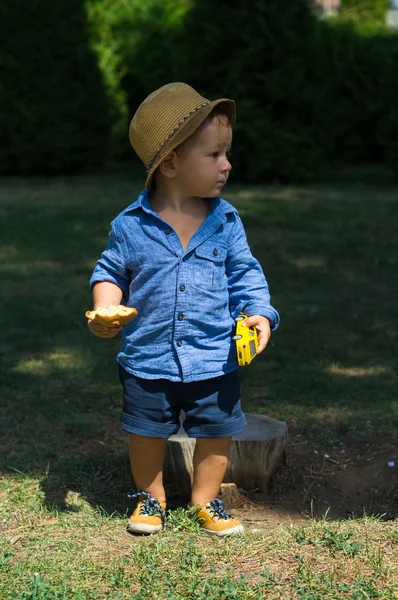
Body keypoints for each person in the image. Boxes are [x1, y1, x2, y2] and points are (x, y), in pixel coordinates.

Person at [87, 82, 280, 536]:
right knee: (145, 431)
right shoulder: (130, 225)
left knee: (218, 429)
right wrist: (105, 308)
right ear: (170, 164)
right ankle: (149, 500)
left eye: (226, 153)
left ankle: (205, 500)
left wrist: (259, 311)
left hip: (214, 355)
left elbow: (245, 273)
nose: (227, 165)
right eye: (214, 155)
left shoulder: (225, 220)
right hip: (148, 357)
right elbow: (110, 271)